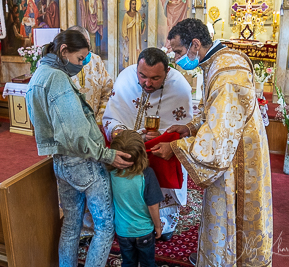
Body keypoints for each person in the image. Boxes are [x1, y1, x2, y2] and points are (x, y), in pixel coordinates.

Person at [151, 18, 273, 266]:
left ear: (195, 44)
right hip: (235, 149)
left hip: (237, 162)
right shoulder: (218, 62)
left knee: (229, 219)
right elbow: (214, 113)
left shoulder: (227, 75)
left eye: (178, 51)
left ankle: (225, 260)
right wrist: (189, 127)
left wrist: (175, 148)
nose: (175, 59)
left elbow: (217, 142)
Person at [25, 30, 133, 267]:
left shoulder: (39, 75)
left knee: (72, 223)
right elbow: (75, 134)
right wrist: (107, 155)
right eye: (79, 59)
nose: (82, 64)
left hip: (61, 162)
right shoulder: (57, 79)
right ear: (64, 51)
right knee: (105, 226)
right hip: (83, 161)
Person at [103, 47, 193, 241]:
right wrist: (126, 135)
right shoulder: (126, 78)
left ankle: (165, 224)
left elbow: (186, 130)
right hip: (131, 148)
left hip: (162, 152)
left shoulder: (180, 87)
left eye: (155, 78)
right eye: (142, 76)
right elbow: (111, 118)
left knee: (161, 185)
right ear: (137, 68)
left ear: (167, 73)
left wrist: (163, 135)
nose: (147, 83)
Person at [68, 25, 114, 243]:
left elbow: (107, 91)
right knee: (76, 181)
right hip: (72, 136)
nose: (86, 53)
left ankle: (97, 224)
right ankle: (82, 228)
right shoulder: (63, 66)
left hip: (95, 132)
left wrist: (99, 119)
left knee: (97, 178)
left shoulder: (96, 61)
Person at [108, 130, 164, 267]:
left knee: (128, 263)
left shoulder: (111, 173)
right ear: (141, 153)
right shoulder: (147, 174)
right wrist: (158, 226)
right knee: (148, 264)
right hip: (144, 231)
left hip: (123, 231)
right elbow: (153, 206)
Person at [122, 0, 146, 67]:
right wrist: (125, 36)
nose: (134, 5)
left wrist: (143, 20)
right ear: (130, 5)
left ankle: (136, 66)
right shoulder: (126, 15)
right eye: (133, 4)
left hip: (136, 38)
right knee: (129, 52)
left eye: (135, 4)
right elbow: (124, 27)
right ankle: (129, 66)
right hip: (129, 37)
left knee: (136, 52)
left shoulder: (138, 15)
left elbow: (141, 27)